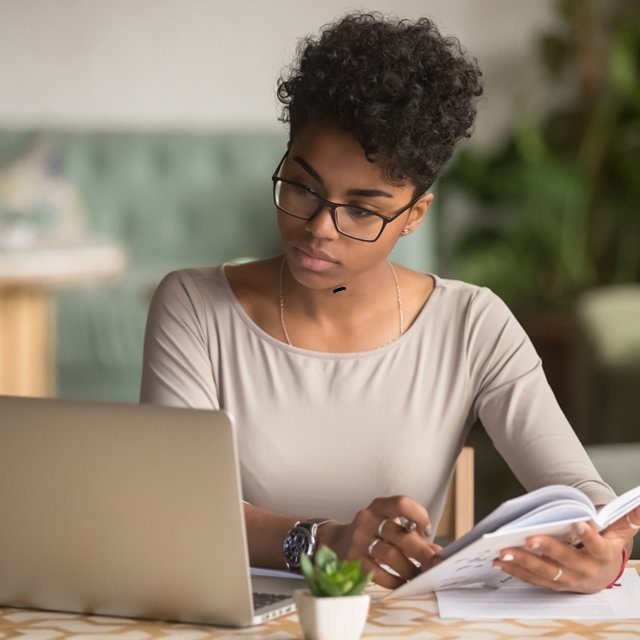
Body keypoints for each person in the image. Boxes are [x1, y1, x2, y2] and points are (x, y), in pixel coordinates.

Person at [140, 12, 639, 593]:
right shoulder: (195, 308)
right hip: (236, 619)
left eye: (362, 209)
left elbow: (578, 489)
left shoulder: (471, 325)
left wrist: (605, 549)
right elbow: (172, 506)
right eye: (302, 186)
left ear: (413, 216)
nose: (320, 228)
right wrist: (326, 543)